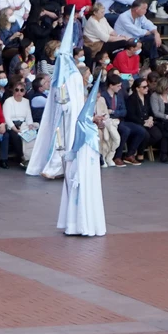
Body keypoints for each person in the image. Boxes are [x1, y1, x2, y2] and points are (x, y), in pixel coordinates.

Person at [59, 75, 106, 236]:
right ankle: (78, 224)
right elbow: (78, 150)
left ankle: (84, 224)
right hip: (83, 167)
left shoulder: (88, 129)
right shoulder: (83, 127)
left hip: (89, 167)